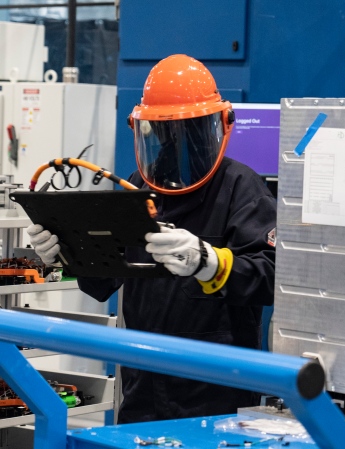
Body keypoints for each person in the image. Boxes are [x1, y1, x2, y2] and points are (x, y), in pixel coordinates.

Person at [26, 54, 277, 423]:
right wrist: (65, 252)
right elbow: (103, 278)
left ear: (216, 126)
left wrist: (210, 263)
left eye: (188, 131)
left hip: (218, 393)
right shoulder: (140, 189)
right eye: (164, 132)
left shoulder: (241, 188)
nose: (176, 142)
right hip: (142, 387)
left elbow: (269, 279)